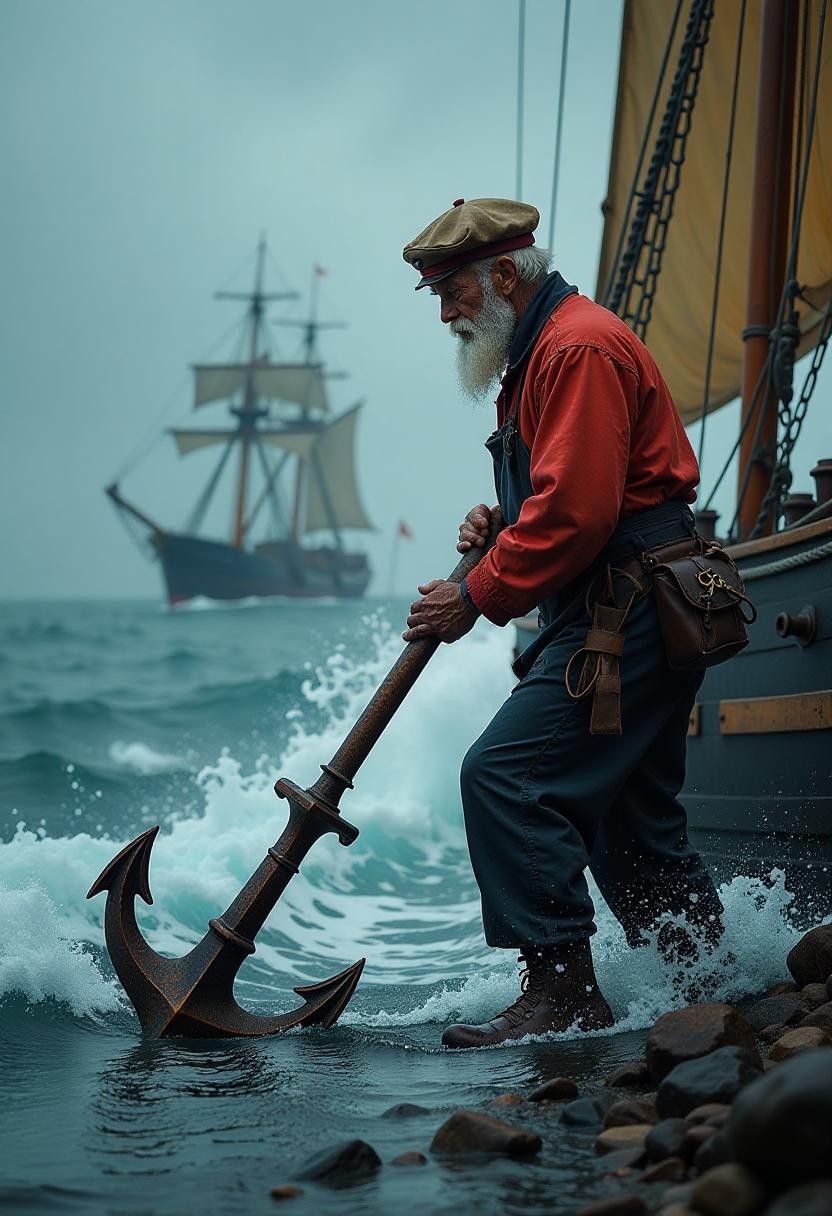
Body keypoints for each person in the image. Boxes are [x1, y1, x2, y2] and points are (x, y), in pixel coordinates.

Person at [400, 197, 725, 1049]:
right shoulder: (544, 348)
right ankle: (711, 987)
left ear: (506, 275)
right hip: (634, 605)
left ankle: (563, 993)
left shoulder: (574, 347)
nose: (444, 314)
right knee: (629, 815)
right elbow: (566, 494)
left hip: (627, 610)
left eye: (453, 293)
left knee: (504, 778)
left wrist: (473, 596)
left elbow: (580, 514)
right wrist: (500, 522)